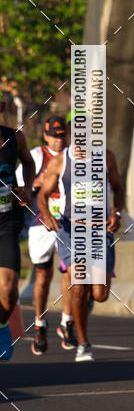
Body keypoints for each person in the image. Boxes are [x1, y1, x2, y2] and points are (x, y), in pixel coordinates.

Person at [37, 140, 124, 362]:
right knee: (78, 288)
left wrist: (117, 213)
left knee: (100, 294)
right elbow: (42, 195)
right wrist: (46, 214)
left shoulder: (106, 157)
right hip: (71, 229)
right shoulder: (60, 161)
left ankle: (84, 305)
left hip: (99, 230)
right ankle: (83, 344)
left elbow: (118, 188)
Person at [16, 116, 75, 355]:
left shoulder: (73, 156)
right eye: (55, 136)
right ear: (46, 136)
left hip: (67, 223)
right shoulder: (37, 156)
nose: (59, 140)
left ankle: (67, 321)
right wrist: (36, 183)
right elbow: (19, 190)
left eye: (62, 135)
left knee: (71, 271)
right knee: (42, 276)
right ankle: (40, 323)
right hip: (40, 223)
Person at [0, 90, 35, 360]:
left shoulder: (14, 137)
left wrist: (28, 189)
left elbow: (28, 161)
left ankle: (1, 326)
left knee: (9, 288)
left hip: (7, 221)